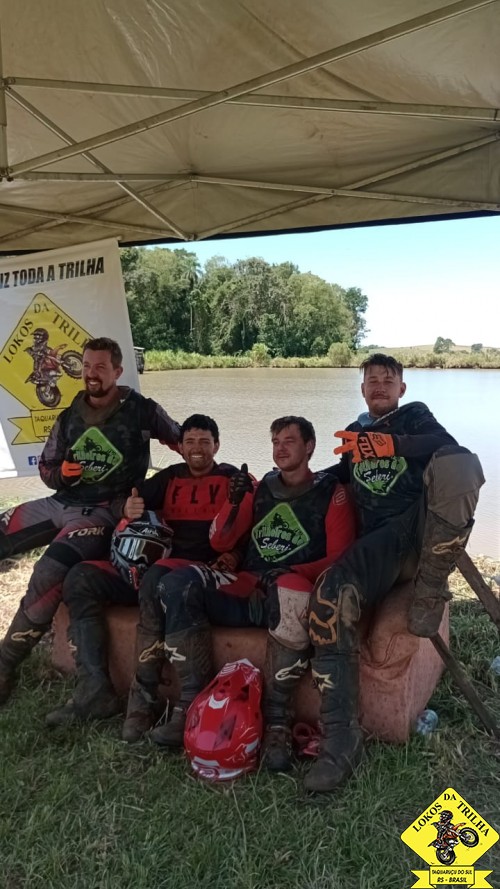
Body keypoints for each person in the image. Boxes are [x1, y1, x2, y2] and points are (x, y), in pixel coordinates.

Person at [126, 415, 356, 771]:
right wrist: (234, 502)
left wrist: (294, 572)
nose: (280, 448)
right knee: (177, 583)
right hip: (248, 585)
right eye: (275, 442)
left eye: (289, 441)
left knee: (291, 590)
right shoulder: (261, 486)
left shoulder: (332, 492)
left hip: (291, 591)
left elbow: (340, 557)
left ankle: (277, 723)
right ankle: (189, 707)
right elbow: (221, 541)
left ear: (309, 446)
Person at [305, 353, 485, 793]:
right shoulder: (355, 431)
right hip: (380, 544)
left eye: (389, 379)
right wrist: (293, 477)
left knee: (462, 462)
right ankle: (341, 739)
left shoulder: (415, 417)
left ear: (402, 389)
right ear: (362, 388)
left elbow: (444, 444)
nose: (380, 385)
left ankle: (430, 589)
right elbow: (339, 475)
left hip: (418, 530)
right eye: (373, 379)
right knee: (331, 591)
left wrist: (393, 445)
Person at [0, 337, 180, 706]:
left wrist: (210, 475)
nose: (91, 374)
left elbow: (185, 440)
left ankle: (5, 665)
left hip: (103, 513)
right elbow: (47, 469)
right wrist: (62, 474)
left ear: (117, 370)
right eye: (86, 366)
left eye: (100, 367)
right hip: (61, 502)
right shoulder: (70, 415)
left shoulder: (142, 410)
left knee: (48, 572)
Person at [45, 414, 242, 727]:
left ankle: (143, 700)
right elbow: (124, 497)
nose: (197, 448)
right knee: (82, 578)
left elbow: (251, 525)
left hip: (198, 574)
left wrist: (236, 553)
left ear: (217, 445)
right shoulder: (169, 477)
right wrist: (126, 507)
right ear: (180, 446)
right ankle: (94, 689)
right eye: (189, 441)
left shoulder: (234, 479)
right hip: (150, 564)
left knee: (155, 580)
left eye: (205, 442)